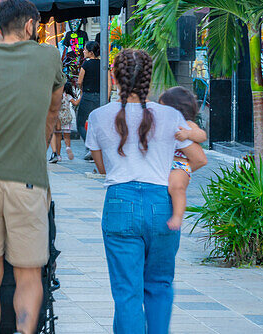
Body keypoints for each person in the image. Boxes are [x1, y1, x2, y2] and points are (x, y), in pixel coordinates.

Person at [0, 0, 66, 334]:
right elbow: (54, 108)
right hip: (29, 179)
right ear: (31, 26)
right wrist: (39, 141)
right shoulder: (49, 56)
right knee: (28, 272)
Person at [86, 49, 207, 334]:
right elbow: (198, 156)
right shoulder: (170, 115)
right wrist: (175, 169)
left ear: (114, 77)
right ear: (149, 80)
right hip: (160, 202)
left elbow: (102, 167)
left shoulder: (98, 116)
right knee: (160, 285)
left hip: (119, 203)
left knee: (127, 293)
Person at [157, 86, 207, 230]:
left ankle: (178, 217)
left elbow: (202, 136)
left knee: (177, 187)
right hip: (165, 165)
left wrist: (188, 134)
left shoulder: (187, 125)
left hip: (180, 166)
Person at [77, 41, 102, 148]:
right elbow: (108, 82)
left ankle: (90, 146)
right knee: (97, 124)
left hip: (88, 96)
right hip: (100, 96)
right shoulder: (103, 64)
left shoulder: (86, 64)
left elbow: (79, 81)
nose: (83, 51)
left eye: (85, 50)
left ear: (91, 52)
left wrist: (81, 90)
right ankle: (98, 146)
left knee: (80, 123)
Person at [49, 80, 80, 163]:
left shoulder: (57, 95)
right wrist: (81, 96)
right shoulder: (68, 96)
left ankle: (58, 155)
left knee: (58, 137)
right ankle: (68, 147)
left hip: (58, 119)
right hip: (67, 118)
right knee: (67, 136)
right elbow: (76, 103)